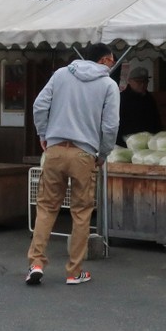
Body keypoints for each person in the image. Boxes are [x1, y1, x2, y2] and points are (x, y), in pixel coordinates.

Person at [26, 43, 119, 286]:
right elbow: (110, 126)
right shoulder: (109, 85)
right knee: (81, 212)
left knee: (46, 208)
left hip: (55, 149)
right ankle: (74, 271)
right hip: (84, 153)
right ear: (105, 59)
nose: (113, 63)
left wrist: (44, 135)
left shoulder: (60, 74)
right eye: (112, 59)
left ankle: (36, 263)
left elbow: (39, 106)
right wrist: (104, 153)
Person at [117, 65, 162, 144]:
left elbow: (156, 121)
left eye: (145, 81)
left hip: (149, 143)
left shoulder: (149, 99)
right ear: (129, 81)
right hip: (126, 143)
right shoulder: (121, 99)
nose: (142, 84)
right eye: (138, 81)